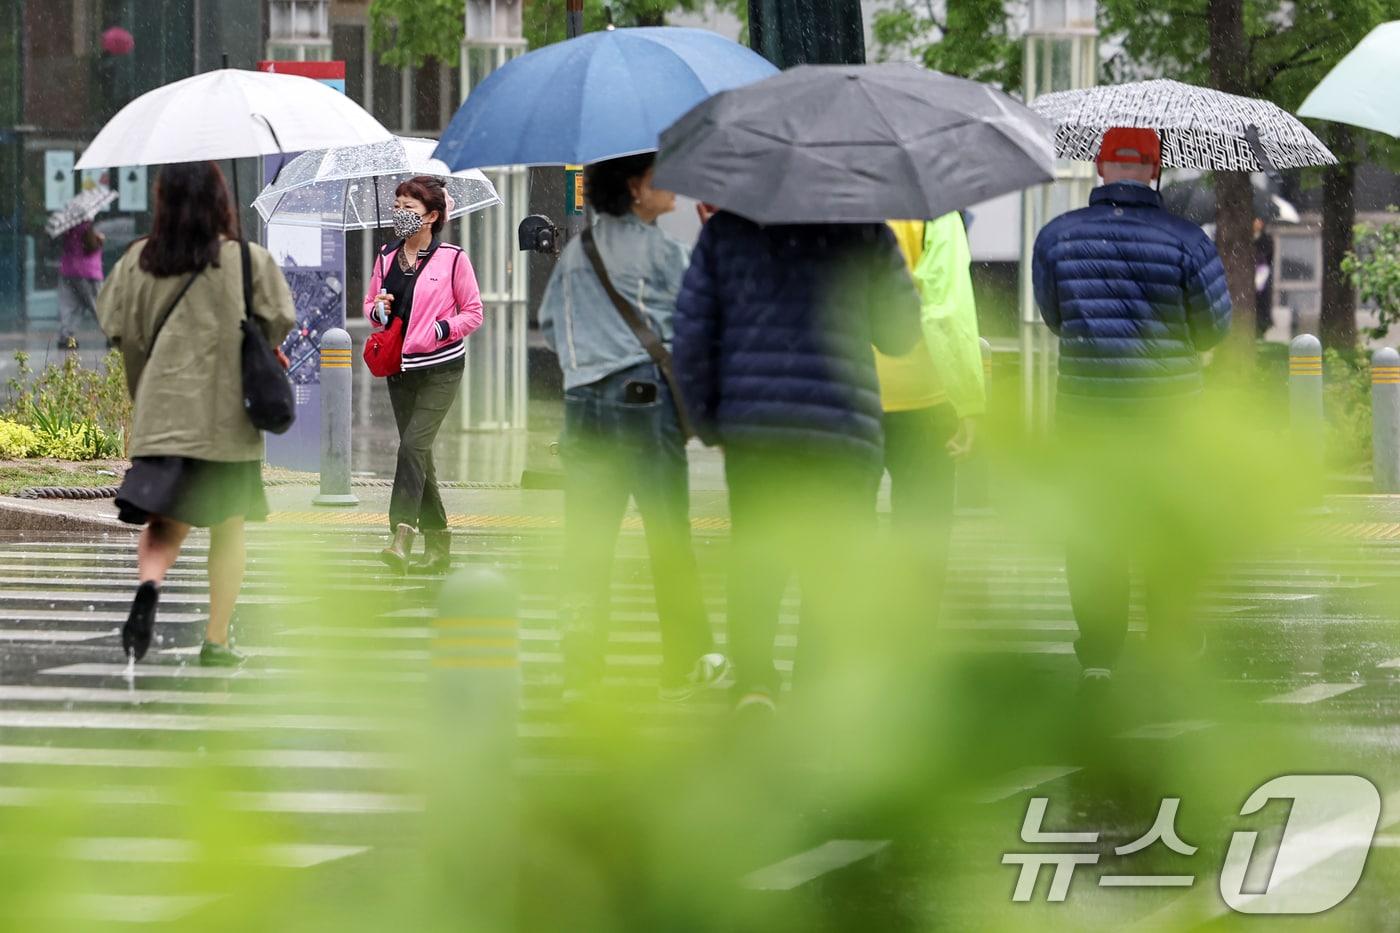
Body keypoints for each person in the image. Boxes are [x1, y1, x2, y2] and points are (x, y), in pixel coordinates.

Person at [673, 212, 922, 713]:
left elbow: (693, 335)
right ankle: (815, 692)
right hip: (843, 428)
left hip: (757, 427)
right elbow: (900, 333)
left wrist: (708, 421)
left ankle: (755, 688)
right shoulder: (864, 230)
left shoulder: (726, 232)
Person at [1032, 128, 1231, 696]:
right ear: (1156, 170)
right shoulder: (1187, 240)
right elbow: (1213, 327)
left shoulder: (1056, 237)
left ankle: (1098, 652)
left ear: (1099, 168)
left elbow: (1055, 316)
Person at [538, 153, 727, 703]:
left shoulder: (579, 251)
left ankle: (580, 671)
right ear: (634, 189)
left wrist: (588, 361)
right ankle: (686, 661)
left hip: (583, 409)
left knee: (588, 542)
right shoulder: (664, 251)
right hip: (643, 404)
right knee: (668, 533)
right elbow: (698, 322)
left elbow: (551, 324)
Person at [97, 161, 296, 667]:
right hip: (227, 420)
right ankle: (217, 638)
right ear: (220, 201)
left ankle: (149, 586)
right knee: (228, 527)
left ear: (161, 201)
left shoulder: (139, 260)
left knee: (164, 522)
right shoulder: (247, 260)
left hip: (162, 414)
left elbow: (117, 328)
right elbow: (279, 321)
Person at [364, 176, 484, 574]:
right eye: (396, 206)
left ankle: (401, 534)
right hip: (400, 370)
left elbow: (473, 312)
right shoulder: (385, 257)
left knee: (412, 447)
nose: (400, 214)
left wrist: (440, 330)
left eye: (409, 209)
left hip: (442, 369)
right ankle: (440, 541)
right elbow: (373, 310)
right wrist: (379, 309)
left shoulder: (453, 258)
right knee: (420, 454)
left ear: (432, 216)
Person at [877, 214, 985, 627]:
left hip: (845, 393)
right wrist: (968, 399)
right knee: (923, 530)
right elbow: (946, 310)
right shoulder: (934, 213)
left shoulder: (832, 198)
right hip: (922, 396)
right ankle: (912, 642)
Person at [58, 219, 105, 350]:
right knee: (99, 304)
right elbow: (91, 247)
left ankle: (65, 336)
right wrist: (100, 240)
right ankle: (112, 334)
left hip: (68, 271)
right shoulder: (86, 228)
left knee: (71, 306)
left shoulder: (67, 228)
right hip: (88, 272)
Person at [1253, 216, 1275, 339]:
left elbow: (1268, 257)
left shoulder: (1266, 239)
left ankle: (1262, 326)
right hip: (1253, 274)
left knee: (1262, 302)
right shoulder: (1247, 237)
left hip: (1262, 274)